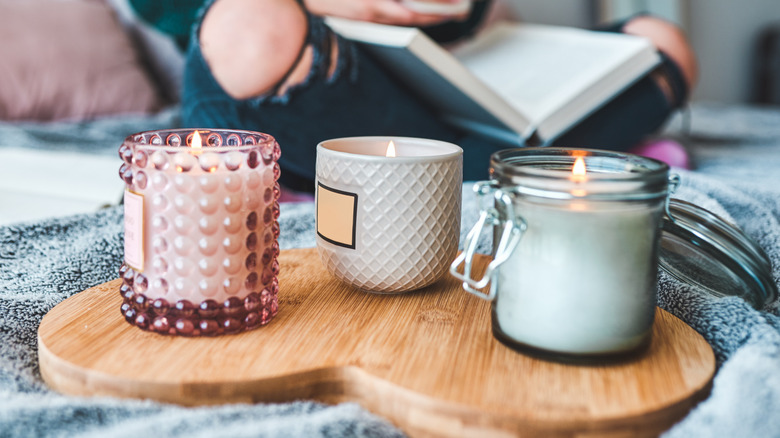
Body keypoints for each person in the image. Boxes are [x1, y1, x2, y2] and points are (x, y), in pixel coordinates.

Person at [134, 0, 698, 192]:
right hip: (315, 74)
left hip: (438, 74)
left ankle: (467, 165)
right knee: (252, 24)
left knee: (661, 43)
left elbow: (468, 15)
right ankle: (491, 166)